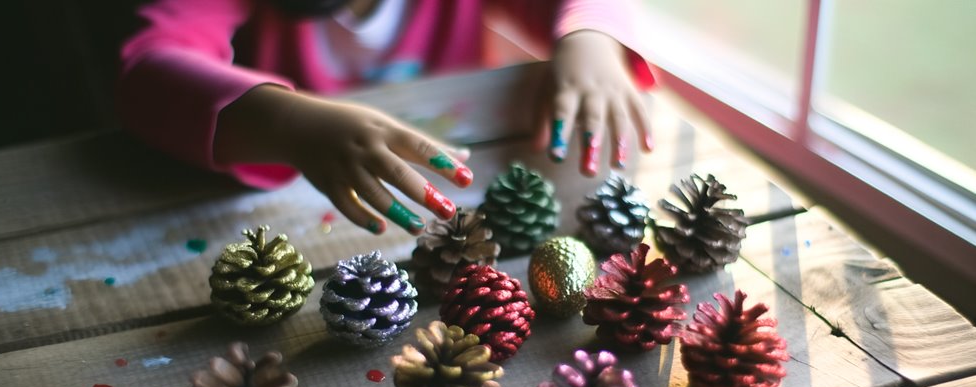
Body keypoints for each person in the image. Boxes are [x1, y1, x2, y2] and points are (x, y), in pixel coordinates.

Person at [117, 0, 655, 235]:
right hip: (304, 220)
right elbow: (148, 68)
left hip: (464, 211)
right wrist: (289, 124)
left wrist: (594, 40)